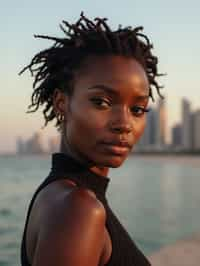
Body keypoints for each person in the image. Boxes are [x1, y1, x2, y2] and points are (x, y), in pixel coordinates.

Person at [20, 12, 163, 266]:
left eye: (137, 110)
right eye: (101, 102)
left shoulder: (65, 198)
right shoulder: (78, 209)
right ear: (61, 102)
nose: (124, 124)